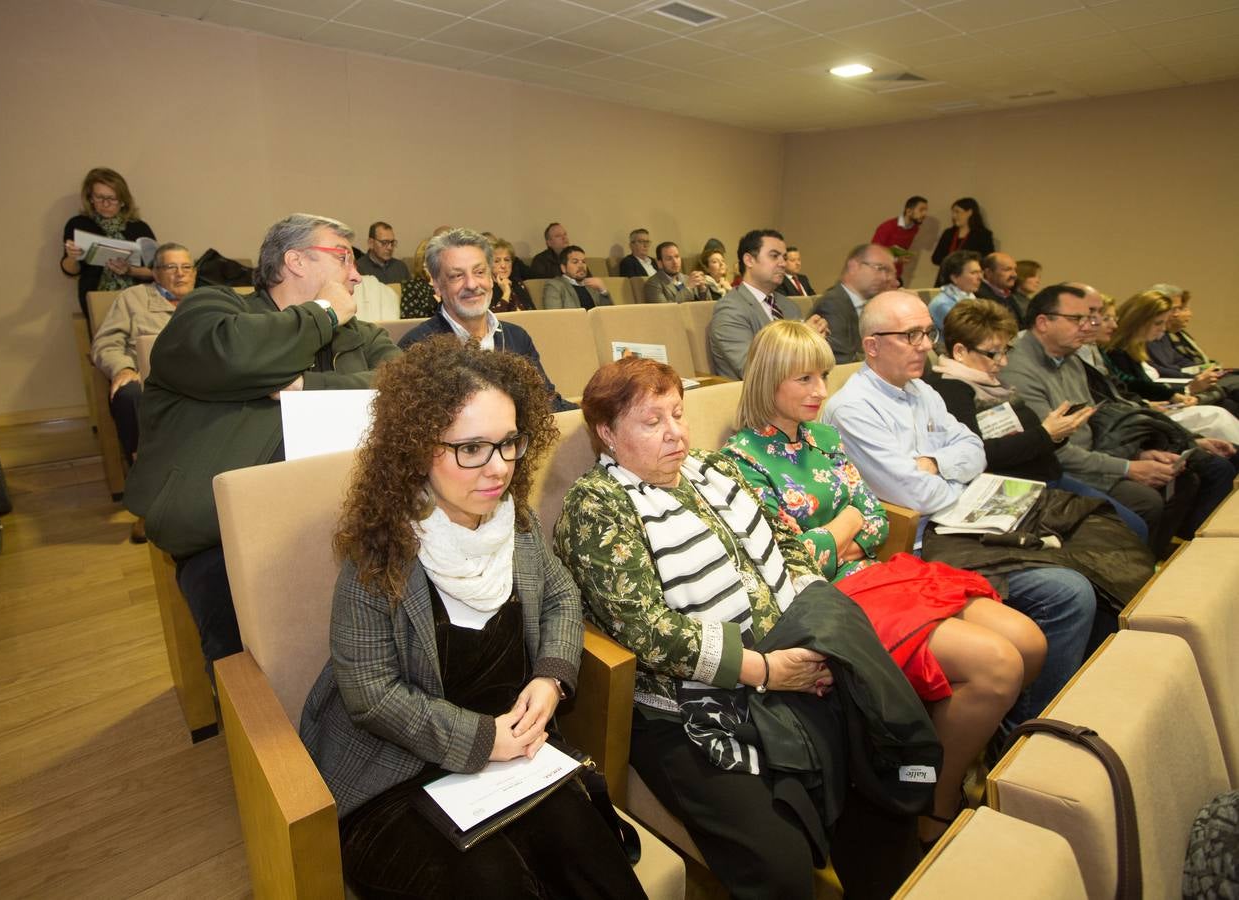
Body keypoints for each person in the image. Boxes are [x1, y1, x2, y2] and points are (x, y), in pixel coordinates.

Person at [555, 356, 941, 900]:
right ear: (607, 434)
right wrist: (765, 670)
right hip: (689, 703)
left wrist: (816, 640)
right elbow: (647, 629)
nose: (676, 433)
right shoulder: (597, 506)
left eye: (678, 414)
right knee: (779, 867)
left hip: (796, 658)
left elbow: (787, 548)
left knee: (875, 781)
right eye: (652, 422)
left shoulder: (715, 468)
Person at [298, 337, 645, 899]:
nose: (498, 468)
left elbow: (561, 597)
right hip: (397, 774)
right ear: (416, 447)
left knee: (594, 861)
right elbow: (371, 694)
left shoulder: (515, 523)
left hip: (510, 761)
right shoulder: (380, 550)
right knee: (494, 883)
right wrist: (480, 740)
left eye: (509, 443)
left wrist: (551, 677)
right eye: (470, 449)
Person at [724, 320, 1044, 844]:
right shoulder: (739, 461)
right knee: (998, 666)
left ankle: (953, 752)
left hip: (879, 573)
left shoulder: (824, 438)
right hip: (828, 603)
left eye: (823, 376)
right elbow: (792, 561)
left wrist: (842, 530)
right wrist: (846, 525)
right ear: (768, 380)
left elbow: (875, 519)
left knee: (1030, 642)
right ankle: (931, 802)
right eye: (803, 379)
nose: (820, 392)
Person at [124, 214, 400, 671]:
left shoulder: (362, 336)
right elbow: (233, 355)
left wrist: (304, 388)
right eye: (343, 258)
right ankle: (261, 734)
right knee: (248, 652)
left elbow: (401, 384)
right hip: (225, 531)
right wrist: (324, 314)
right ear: (294, 260)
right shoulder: (213, 311)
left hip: (346, 514)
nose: (356, 274)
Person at [822, 291, 1099, 734]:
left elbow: (974, 451)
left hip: (962, 523)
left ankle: (1015, 721)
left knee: (1087, 546)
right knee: (1068, 591)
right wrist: (949, 477)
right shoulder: (852, 408)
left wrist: (937, 465)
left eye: (927, 333)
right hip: (920, 543)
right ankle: (1025, 730)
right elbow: (914, 495)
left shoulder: (921, 390)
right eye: (911, 335)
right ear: (872, 344)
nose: (925, 346)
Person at [1001, 284, 1235, 558]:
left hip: (1090, 456)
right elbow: (1054, 449)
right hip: (1059, 467)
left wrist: (1139, 453)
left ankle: (1154, 565)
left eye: (1090, 317)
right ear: (1043, 322)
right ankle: (1133, 574)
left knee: (1183, 478)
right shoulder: (1019, 369)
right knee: (1146, 500)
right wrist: (1127, 467)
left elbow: (1098, 422)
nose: (1089, 326)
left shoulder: (1070, 359)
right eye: (1078, 319)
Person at [925, 299, 1149, 542]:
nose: (1003, 362)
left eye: (1006, 350)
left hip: (1047, 480)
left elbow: (1029, 438)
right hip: (1015, 492)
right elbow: (979, 454)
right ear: (959, 351)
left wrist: (1058, 432)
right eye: (993, 353)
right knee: (1128, 531)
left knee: (1133, 526)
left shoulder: (993, 383)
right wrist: (1045, 433)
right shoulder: (951, 390)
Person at [400, 228, 575, 412]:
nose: (472, 284)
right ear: (437, 286)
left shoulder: (517, 338)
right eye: (457, 276)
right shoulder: (417, 346)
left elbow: (547, 402)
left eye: (479, 272)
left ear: (491, 278)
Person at [89, 242, 196, 541]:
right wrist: (123, 368)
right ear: (154, 273)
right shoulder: (133, 299)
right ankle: (148, 503)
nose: (180, 274)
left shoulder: (206, 300)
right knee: (128, 395)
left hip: (198, 383)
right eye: (170, 267)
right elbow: (106, 344)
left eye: (186, 267)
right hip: (151, 385)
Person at [708, 229, 829, 380]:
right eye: (774, 256)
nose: (783, 263)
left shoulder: (788, 305)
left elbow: (808, 364)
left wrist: (816, 342)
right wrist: (803, 341)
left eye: (784, 257)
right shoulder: (730, 310)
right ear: (749, 260)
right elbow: (752, 370)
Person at [1106, 291, 1235, 416]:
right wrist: (1185, 390)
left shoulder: (1134, 349)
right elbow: (1131, 386)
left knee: (1226, 402)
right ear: (1137, 320)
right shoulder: (1116, 352)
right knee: (1217, 414)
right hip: (1144, 410)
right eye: (1158, 323)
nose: (1163, 329)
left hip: (1158, 402)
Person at [61, 167, 156, 321]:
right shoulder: (78, 224)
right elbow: (69, 271)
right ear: (90, 198)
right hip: (97, 297)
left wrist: (130, 270)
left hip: (137, 298)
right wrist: (72, 257)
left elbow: (157, 271)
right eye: (99, 197)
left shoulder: (139, 227)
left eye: (112, 198)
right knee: (105, 343)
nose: (105, 204)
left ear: (123, 200)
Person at [811, 243, 893, 364]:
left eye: (887, 271)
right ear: (853, 266)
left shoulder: (872, 304)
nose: (885, 277)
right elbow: (843, 362)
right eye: (879, 268)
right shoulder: (832, 305)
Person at [929, 199, 995, 287]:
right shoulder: (948, 233)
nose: (954, 216)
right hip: (946, 281)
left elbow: (987, 259)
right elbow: (936, 258)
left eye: (957, 212)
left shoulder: (982, 234)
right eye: (953, 212)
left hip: (969, 280)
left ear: (970, 212)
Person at [927, 250, 983, 348]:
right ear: (954, 277)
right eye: (974, 273)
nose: (980, 277)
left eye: (980, 272)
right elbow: (969, 335)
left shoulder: (971, 297)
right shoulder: (942, 304)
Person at [870, 196, 928, 285]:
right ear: (908, 211)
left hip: (895, 274)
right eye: (921, 210)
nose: (924, 214)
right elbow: (873, 254)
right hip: (880, 276)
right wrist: (897, 260)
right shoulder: (887, 227)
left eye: (925, 210)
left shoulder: (914, 229)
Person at [542, 245, 613, 309]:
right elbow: (554, 317)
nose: (581, 266)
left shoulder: (592, 285)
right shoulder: (554, 286)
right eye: (575, 262)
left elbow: (609, 315)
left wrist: (603, 290)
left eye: (583, 262)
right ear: (563, 268)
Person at [643, 242, 708, 303]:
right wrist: (688, 288)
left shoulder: (686, 278)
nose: (675, 262)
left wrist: (702, 290)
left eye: (677, 257)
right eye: (669, 259)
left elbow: (702, 306)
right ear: (659, 263)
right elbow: (665, 310)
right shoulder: (653, 284)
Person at [488, 238, 534, 312]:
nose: (503, 265)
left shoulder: (517, 283)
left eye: (507, 260)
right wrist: (506, 292)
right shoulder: (486, 288)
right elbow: (493, 320)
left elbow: (533, 312)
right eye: (497, 261)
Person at [399, 237, 438, 319]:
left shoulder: (450, 286)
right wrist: (434, 301)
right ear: (423, 263)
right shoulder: (411, 286)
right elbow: (408, 318)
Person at [976, 253, 1022, 324]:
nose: (1014, 274)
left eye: (1015, 270)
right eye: (1007, 270)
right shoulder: (979, 296)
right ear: (988, 272)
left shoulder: (1007, 293)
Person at [1011, 260, 1042, 325]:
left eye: (1039, 277)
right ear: (1021, 276)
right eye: (1033, 276)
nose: (1038, 281)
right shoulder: (1012, 301)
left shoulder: (1029, 301)